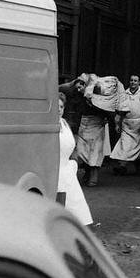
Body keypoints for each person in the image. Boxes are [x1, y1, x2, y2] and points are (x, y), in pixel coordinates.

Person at [70, 72, 119, 187]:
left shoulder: (98, 95)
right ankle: (87, 173)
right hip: (84, 124)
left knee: (95, 151)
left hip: (97, 125)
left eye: (80, 87)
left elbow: (107, 109)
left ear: (86, 86)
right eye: (77, 88)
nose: (79, 89)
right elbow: (77, 111)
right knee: (83, 151)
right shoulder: (79, 97)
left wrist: (113, 121)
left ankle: (93, 177)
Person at [57, 93, 94, 226]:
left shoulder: (65, 124)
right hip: (55, 172)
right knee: (60, 204)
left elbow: (72, 146)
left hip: (68, 170)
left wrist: (73, 163)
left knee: (77, 207)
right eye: (56, 107)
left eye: (61, 107)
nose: (59, 110)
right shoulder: (48, 127)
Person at [109, 73, 140, 174]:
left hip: (138, 124)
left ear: (139, 82)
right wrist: (117, 124)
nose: (133, 82)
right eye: (131, 80)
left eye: (135, 81)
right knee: (124, 146)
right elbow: (120, 110)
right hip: (126, 124)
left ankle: (136, 166)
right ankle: (122, 166)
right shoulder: (125, 93)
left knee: (135, 147)